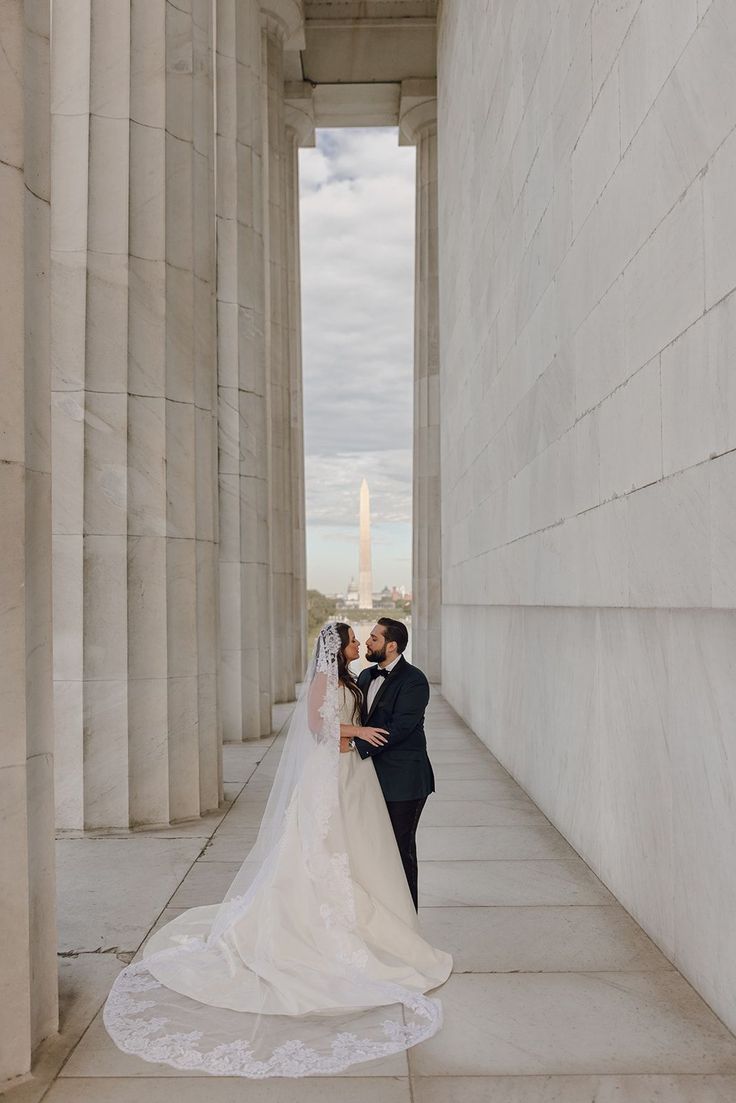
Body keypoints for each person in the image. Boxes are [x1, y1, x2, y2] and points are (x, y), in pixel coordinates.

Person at [103, 621, 452, 1078]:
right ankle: (340, 930)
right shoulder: (344, 677)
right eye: (354, 639)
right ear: (338, 648)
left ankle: (395, 927)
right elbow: (317, 726)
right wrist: (358, 734)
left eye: (366, 639)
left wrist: (358, 737)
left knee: (376, 853)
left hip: (364, 778)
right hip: (334, 776)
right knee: (320, 854)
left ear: (389, 644)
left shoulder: (368, 678)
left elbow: (390, 727)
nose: (360, 643)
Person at [353, 618, 434, 909]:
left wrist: (354, 745)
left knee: (400, 849)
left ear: (391, 645)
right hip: (369, 776)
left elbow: (400, 728)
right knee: (374, 848)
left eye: (373, 638)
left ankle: (408, 917)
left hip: (405, 780)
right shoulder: (364, 676)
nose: (367, 641)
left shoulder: (414, 680)